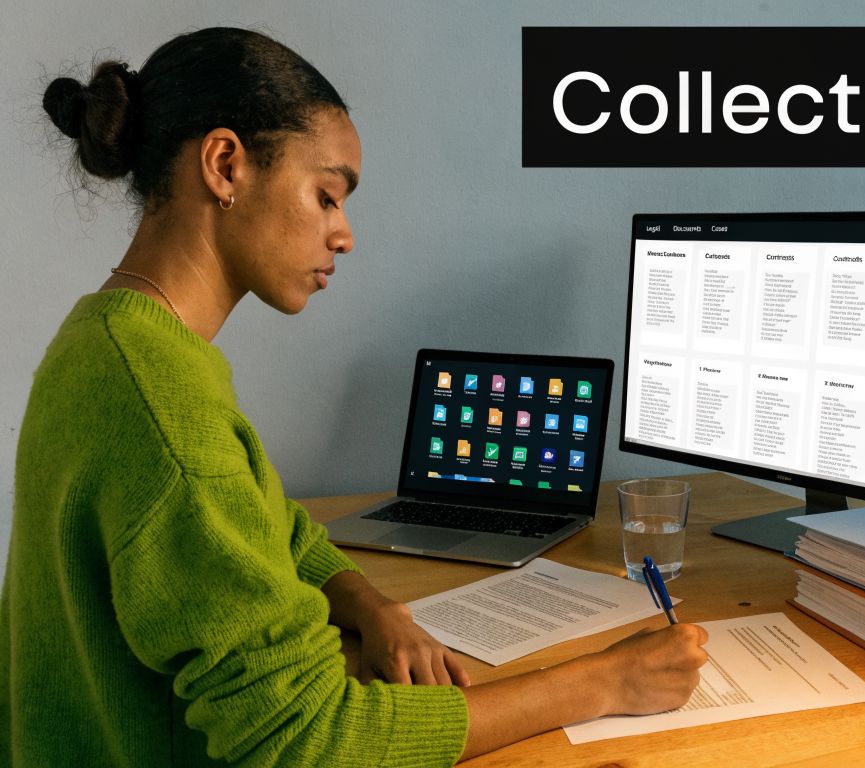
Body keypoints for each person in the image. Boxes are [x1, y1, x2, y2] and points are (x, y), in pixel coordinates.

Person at [1, 27, 708, 766]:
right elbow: (309, 740)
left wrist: (375, 608)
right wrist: (603, 682)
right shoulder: (162, 406)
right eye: (328, 195)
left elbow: (268, 527)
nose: (344, 235)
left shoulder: (111, 339)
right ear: (224, 165)